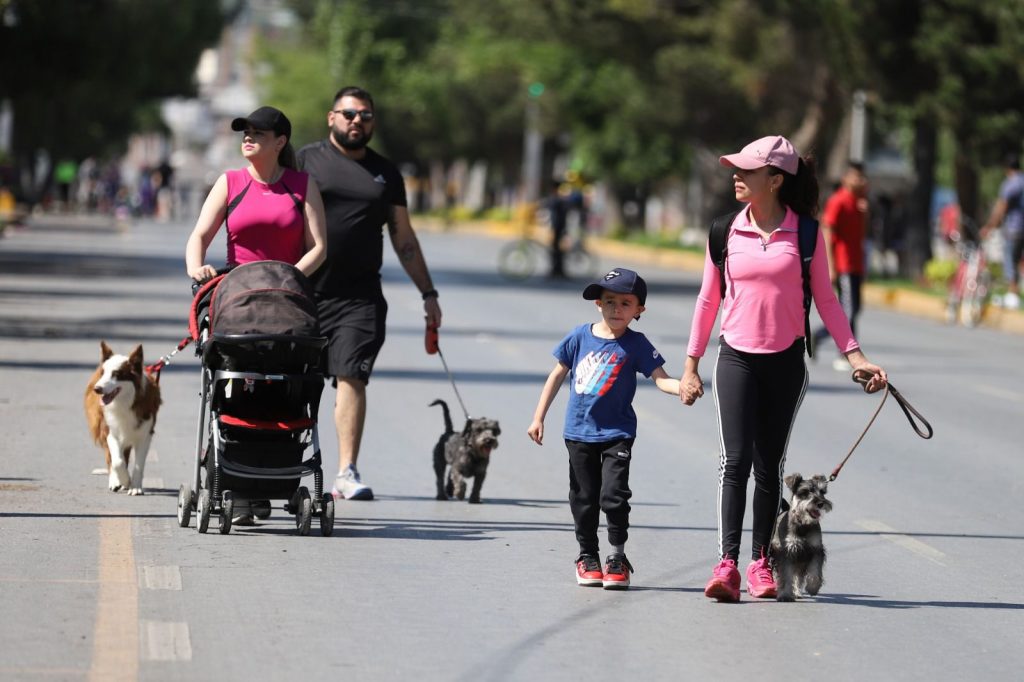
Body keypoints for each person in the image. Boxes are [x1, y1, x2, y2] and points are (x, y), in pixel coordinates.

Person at [680, 135, 887, 602]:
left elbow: (828, 301)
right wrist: (691, 366)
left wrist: (855, 357)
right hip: (735, 358)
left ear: (774, 180)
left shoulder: (807, 234)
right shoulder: (724, 231)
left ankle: (760, 562)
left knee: (768, 467)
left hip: (786, 363)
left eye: (747, 170)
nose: (736, 176)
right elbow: (708, 300)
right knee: (734, 462)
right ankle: (727, 564)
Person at [296, 86, 442, 501]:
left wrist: (428, 293)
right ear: (331, 118)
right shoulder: (304, 161)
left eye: (365, 115)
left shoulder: (386, 173)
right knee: (295, 381)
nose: (357, 121)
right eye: (349, 114)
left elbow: (404, 238)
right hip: (303, 292)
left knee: (352, 375)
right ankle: (281, 465)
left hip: (359, 298)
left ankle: (346, 471)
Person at [528, 268, 681, 589]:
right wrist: (538, 417)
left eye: (626, 303)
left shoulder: (637, 344)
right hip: (578, 432)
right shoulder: (579, 336)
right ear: (598, 303)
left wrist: (682, 387)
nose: (616, 309)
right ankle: (587, 556)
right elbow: (556, 375)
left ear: (639, 309)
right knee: (584, 498)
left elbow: (661, 379)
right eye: (610, 301)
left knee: (614, 495)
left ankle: (617, 557)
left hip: (617, 433)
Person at [185, 105, 327, 283]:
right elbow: (200, 236)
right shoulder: (229, 181)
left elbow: (318, 247)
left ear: (280, 142)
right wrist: (196, 268)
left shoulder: (303, 183)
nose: (248, 137)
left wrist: (289, 278)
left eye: (258, 133)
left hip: (286, 290)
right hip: (238, 289)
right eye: (246, 132)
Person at [811, 162, 869, 370]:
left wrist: (865, 212)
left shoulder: (859, 203)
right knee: (848, 311)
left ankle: (818, 335)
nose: (860, 181)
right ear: (845, 178)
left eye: (862, 177)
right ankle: (844, 354)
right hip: (843, 265)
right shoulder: (838, 201)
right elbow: (827, 230)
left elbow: (863, 233)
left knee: (856, 309)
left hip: (856, 264)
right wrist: (830, 265)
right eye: (856, 177)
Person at [981, 154, 1024, 310]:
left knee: (1009, 260)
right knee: (1018, 260)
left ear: (1006, 168)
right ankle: (1015, 294)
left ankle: (1012, 295)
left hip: (1013, 228)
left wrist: (989, 226)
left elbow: (1001, 206)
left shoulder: (1011, 183)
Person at [546, 179, 568, 278]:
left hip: (558, 228)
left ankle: (557, 270)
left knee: (556, 250)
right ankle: (557, 270)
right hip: (559, 227)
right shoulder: (558, 199)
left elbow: (556, 216)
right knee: (556, 250)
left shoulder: (557, 199)